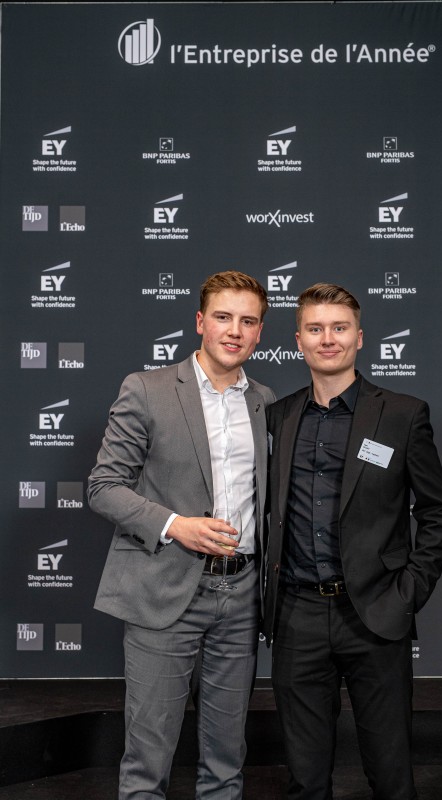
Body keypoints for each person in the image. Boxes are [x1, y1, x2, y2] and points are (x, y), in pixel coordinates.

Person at [263, 283, 442, 800]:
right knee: (305, 781)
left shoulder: (402, 414)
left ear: (360, 337)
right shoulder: (277, 417)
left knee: (392, 777)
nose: (328, 339)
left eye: (339, 327)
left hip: (376, 614)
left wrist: (407, 593)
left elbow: (439, 512)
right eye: (315, 328)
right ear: (299, 340)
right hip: (297, 617)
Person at [87, 270, 275, 800]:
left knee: (226, 759)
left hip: (243, 596)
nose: (234, 331)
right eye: (223, 317)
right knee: (148, 759)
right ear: (199, 322)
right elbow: (103, 487)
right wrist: (177, 526)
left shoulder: (265, 401)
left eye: (248, 321)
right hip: (164, 588)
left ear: (260, 332)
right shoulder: (146, 390)